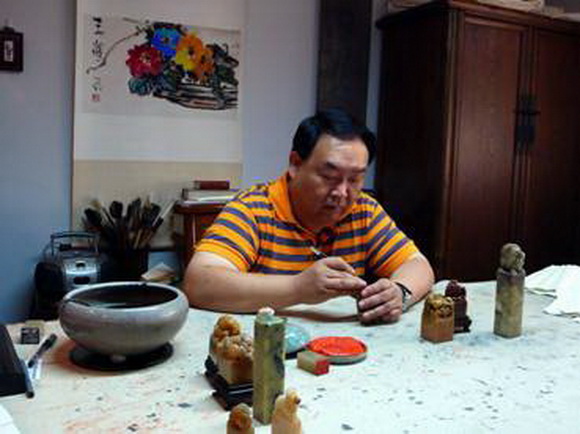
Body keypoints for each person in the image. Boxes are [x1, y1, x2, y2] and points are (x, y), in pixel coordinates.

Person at [184, 108, 434, 324]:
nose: (342, 192)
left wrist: (399, 293)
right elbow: (200, 283)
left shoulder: (364, 211)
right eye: (329, 176)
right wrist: (297, 288)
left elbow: (418, 265)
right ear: (295, 164)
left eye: (355, 179)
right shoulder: (254, 209)